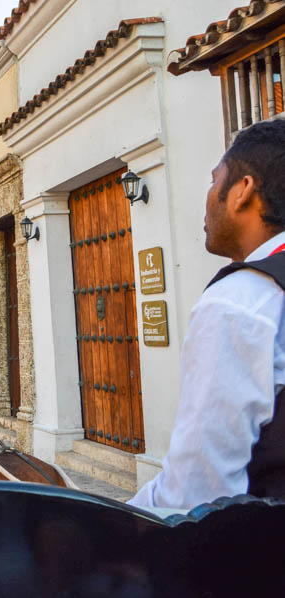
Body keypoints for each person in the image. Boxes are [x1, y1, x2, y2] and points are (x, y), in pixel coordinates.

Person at [129, 120, 285, 509]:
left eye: (214, 181)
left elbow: (195, 495)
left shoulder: (240, 302)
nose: (209, 196)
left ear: (242, 191)